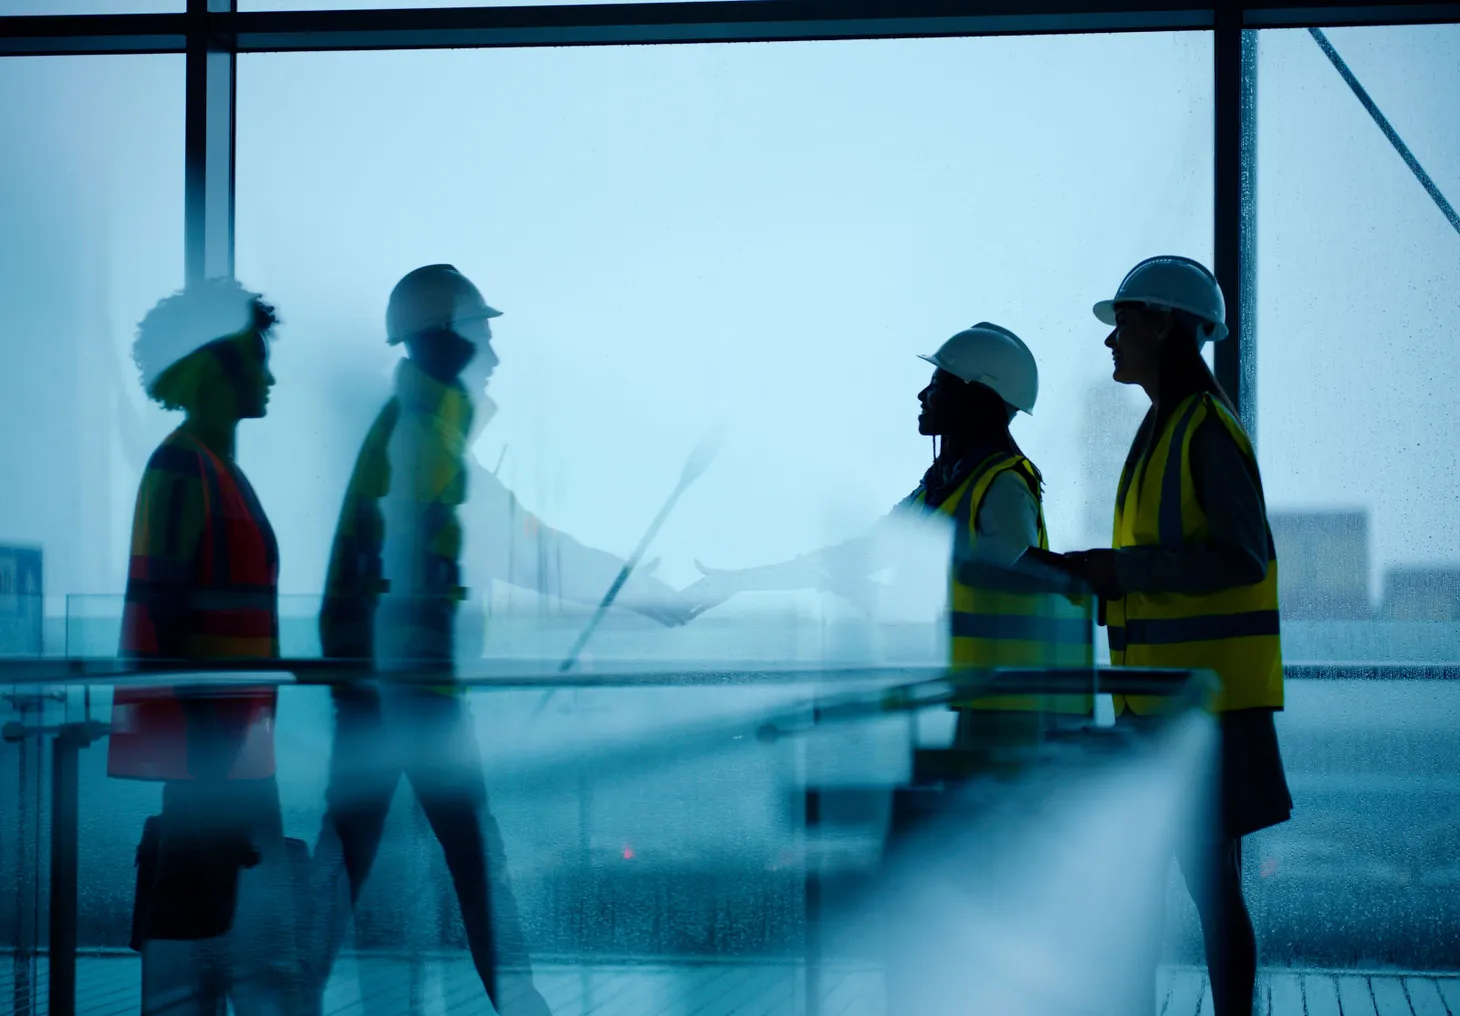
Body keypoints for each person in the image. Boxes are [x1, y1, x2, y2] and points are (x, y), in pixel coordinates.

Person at [313, 264, 687, 1015]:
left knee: (354, 859)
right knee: (468, 858)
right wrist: (642, 595)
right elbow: (522, 546)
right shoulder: (424, 444)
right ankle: (522, 1004)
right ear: (446, 341)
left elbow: (514, 540)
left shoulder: (418, 432)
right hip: (412, 693)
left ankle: (296, 997)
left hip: (390, 688)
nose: (495, 354)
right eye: (482, 334)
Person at [1059, 255, 1291, 1016]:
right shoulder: (1170, 427)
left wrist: (1119, 571)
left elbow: (1239, 555)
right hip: (1168, 709)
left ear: (1164, 323)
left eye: (1122, 323)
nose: (1111, 341)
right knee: (1175, 891)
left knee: (1205, 892)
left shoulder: (1200, 429)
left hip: (1202, 712)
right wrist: (1109, 576)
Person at [683, 323, 1092, 740]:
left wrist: (873, 595)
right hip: (969, 698)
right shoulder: (943, 485)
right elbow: (858, 554)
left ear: (975, 397)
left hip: (1011, 709)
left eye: (937, 384)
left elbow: (1004, 588)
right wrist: (743, 581)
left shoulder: (1002, 484)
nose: (922, 396)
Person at [108, 279, 310, 1016]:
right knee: (221, 952)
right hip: (216, 754)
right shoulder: (185, 470)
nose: (270, 376)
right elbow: (167, 618)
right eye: (257, 358)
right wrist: (214, 763)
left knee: (231, 946)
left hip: (230, 748)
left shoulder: (211, 470)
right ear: (214, 364)